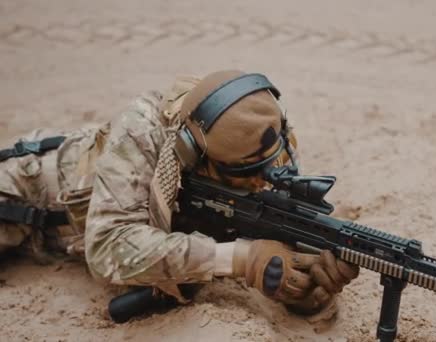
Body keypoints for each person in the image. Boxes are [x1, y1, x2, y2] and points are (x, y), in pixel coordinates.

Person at [0, 70, 359, 317]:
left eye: (268, 168)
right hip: (24, 191)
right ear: (194, 157)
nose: (259, 183)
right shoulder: (144, 132)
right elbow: (108, 246)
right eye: (244, 174)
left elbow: (278, 246)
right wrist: (240, 258)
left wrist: (310, 282)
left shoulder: (265, 140)